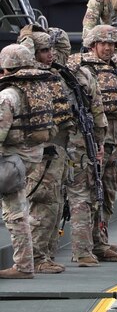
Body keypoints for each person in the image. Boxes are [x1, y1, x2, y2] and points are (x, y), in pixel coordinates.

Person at [29, 28, 108, 268]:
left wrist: (98, 142)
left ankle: (79, 251)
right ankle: (44, 255)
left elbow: (96, 110)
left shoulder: (78, 75)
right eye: (45, 50)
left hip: (75, 145)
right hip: (51, 148)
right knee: (48, 201)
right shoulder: (34, 79)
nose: (52, 55)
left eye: (56, 49)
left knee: (81, 197)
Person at [70, 25, 117, 263]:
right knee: (89, 194)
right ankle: (88, 245)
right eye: (103, 43)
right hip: (92, 144)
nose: (107, 48)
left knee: (107, 195)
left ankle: (101, 241)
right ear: (92, 45)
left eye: (111, 44)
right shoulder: (80, 69)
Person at [0, 44, 57, 279]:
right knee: (20, 208)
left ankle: (23, 266)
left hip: (11, 160)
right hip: (32, 157)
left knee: (14, 213)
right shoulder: (39, 90)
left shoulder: (8, 96)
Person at [16, 30, 70, 273]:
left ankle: (46, 254)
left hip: (57, 149)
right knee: (42, 203)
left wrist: (48, 33)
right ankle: (37, 257)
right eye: (44, 51)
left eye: (50, 49)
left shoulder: (53, 73)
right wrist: (28, 37)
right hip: (40, 152)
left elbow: (64, 48)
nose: (51, 55)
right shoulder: (25, 80)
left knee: (55, 203)